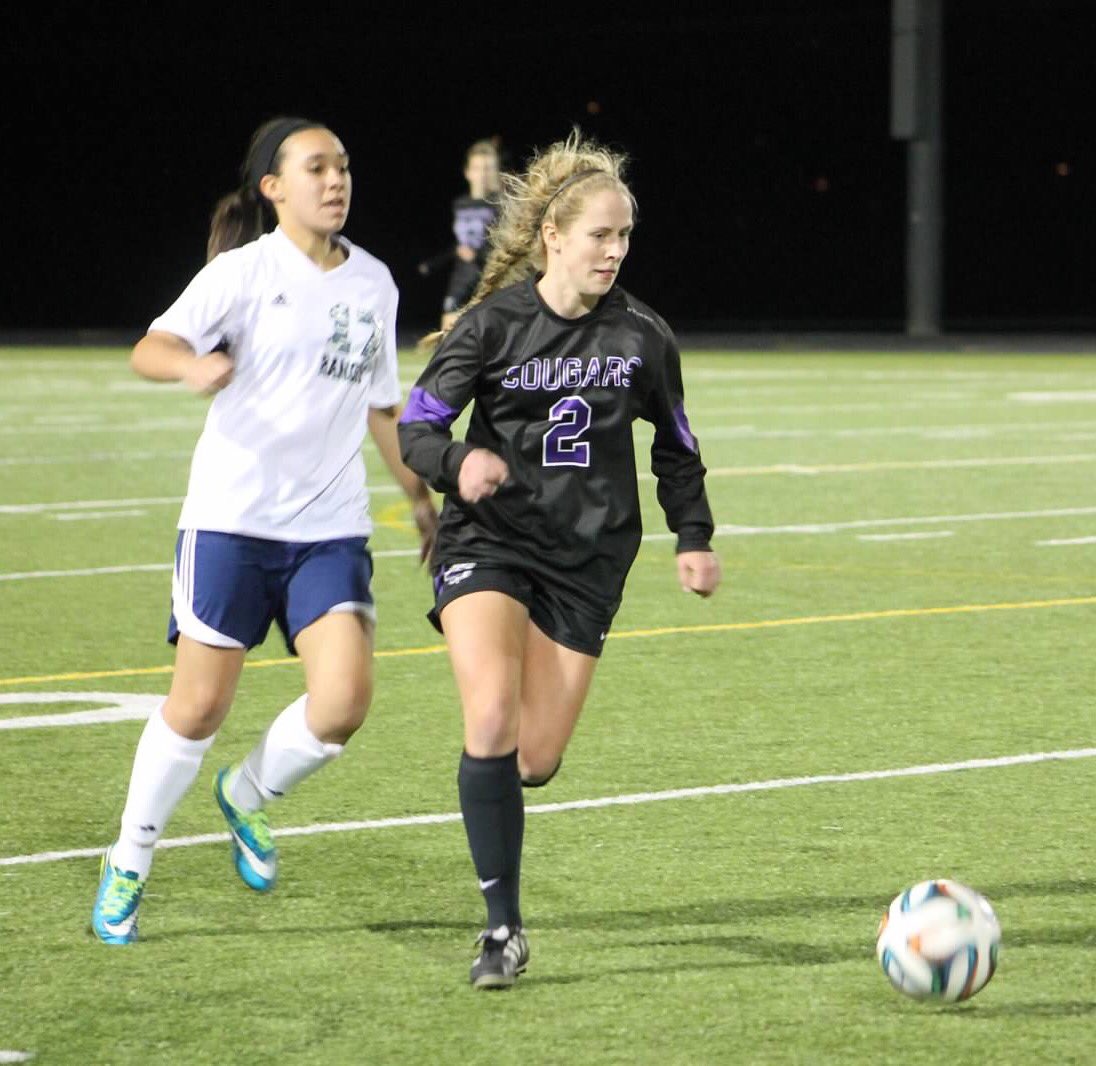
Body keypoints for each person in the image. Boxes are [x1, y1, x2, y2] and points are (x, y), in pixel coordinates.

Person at [91, 116, 438, 945]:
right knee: (199, 707)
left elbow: (382, 405)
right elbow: (153, 345)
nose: (336, 180)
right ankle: (130, 857)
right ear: (273, 188)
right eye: (316, 168)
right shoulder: (243, 274)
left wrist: (421, 499)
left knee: (344, 702)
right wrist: (193, 365)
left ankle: (245, 796)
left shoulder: (375, 283)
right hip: (231, 523)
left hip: (330, 528)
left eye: (344, 167)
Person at [398, 131, 721, 989]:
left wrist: (694, 536)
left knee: (534, 758)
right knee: (493, 717)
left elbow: (678, 448)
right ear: (553, 238)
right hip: (489, 541)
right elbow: (417, 424)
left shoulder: (645, 335)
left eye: (623, 237)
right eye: (599, 236)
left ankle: (496, 798)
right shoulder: (491, 325)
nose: (614, 251)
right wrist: (456, 463)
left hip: (588, 562)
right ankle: (501, 930)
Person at [439, 139, 501, 331]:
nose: (482, 174)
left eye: (488, 168)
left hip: (490, 278)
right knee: (448, 334)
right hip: (462, 277)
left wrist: (479, 255)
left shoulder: (501, 205)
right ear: (468, 172)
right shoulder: (459, 204)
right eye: (478, 168)